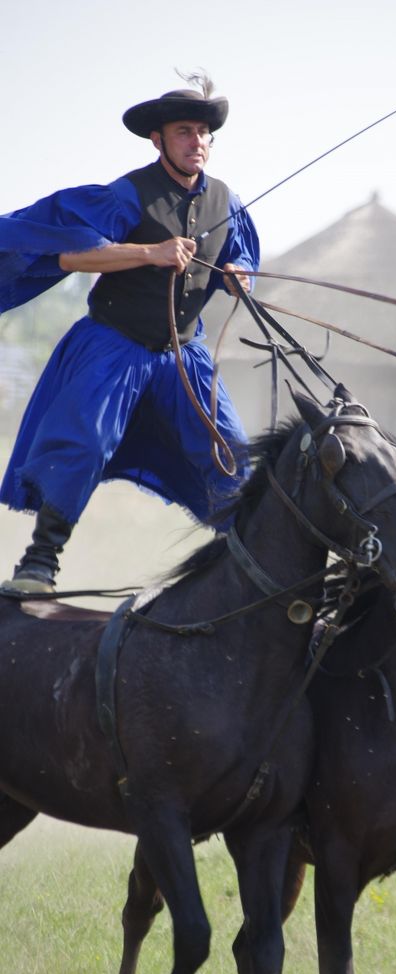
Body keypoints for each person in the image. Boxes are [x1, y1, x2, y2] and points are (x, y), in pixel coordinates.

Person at [0, 73, 260, 594]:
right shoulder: (127, 195)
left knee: (230, 454)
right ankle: (39, 563)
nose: (197, 142)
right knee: (85, 442)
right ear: (158, 140)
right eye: (185, 132)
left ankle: (250, 571)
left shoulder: (227, 204)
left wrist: (238, 277)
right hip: (114, 344)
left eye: (204, 134)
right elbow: (70, 254)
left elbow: (243, 259)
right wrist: (150, 253)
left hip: (185, 353)